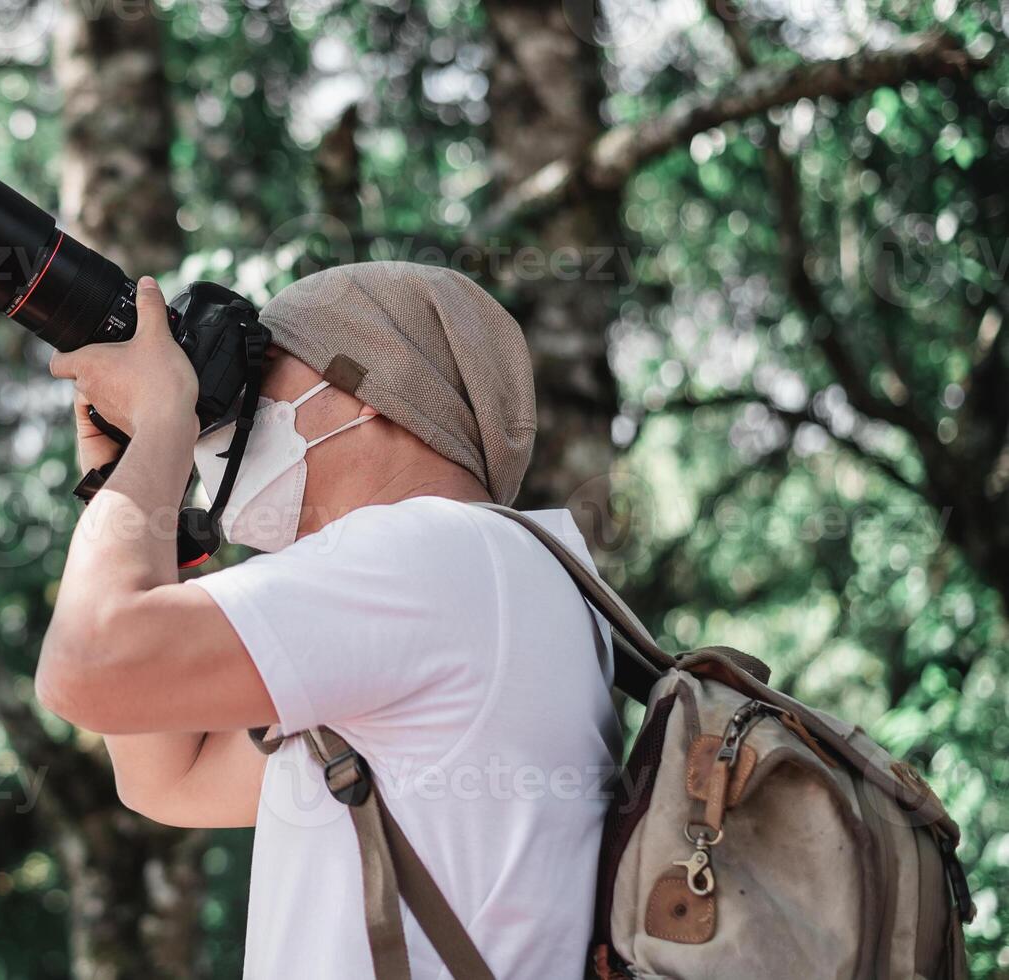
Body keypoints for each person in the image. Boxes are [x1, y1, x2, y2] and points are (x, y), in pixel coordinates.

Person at [38, 261, 617, 978]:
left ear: (371, 392)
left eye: (263, 371)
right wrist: (120, 486)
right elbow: (170, 778)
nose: (217, 419)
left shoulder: (436, 552)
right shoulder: (507, 578)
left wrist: (161, 418)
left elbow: (88, 671)